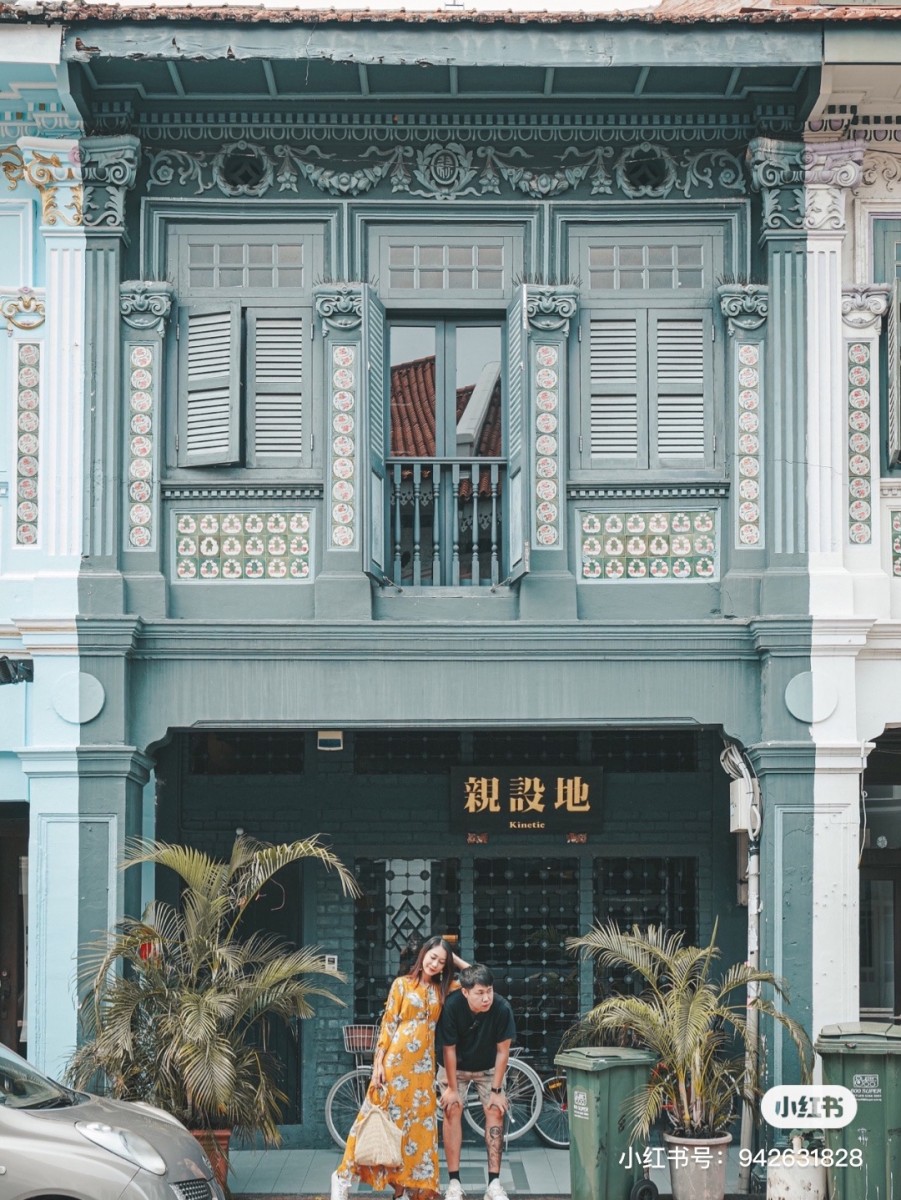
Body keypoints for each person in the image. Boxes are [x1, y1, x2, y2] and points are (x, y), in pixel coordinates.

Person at [331, 936, 466, 1200]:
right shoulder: (401, 985)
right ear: (423, 954)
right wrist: (378, 1064)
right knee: (373, 1119)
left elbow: (474, 978)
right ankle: (342, 1176)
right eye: (432, 957)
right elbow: (389, 1023)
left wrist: (452, 957)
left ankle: (403, 1188)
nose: (435, 964)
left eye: (441, 961)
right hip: (394, 1065)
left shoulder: (442, 988)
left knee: (417, 1129)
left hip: (423, 1071)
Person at [437, 964, 516, 1200]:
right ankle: (454, 1183)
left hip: (488, 1065)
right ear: (465, 992)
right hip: (455, 1066)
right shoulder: (452, 1006)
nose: (486, 998)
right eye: (480, 993)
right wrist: (451, 1089)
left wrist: (497, 1090)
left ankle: (494, 1184)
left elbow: (503, 1052)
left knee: (496, 1110)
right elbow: (448, 1049)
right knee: (452, 1110)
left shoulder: (501, 1008)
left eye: (489, 990)